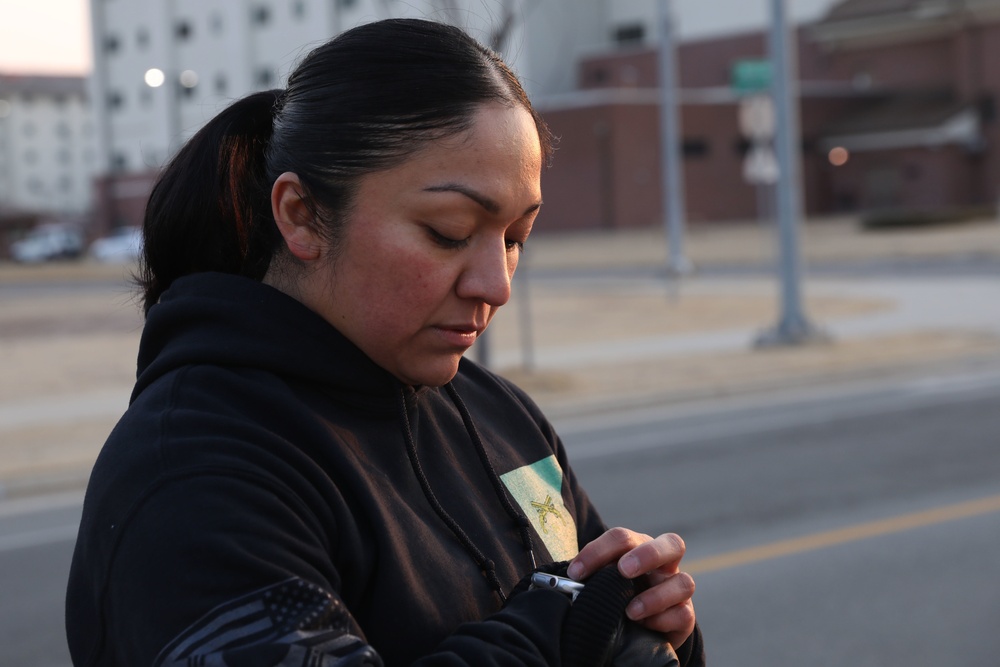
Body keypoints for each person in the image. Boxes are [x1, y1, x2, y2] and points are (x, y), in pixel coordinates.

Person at [66, 18, 704, 667]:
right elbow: (557, 622)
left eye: (514, 238)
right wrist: (556, 627)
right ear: (301, 215)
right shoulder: (194, 473)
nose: (496, 284)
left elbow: (591, 609)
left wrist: (646, 624)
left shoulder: (499, 415)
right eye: (449, 231)